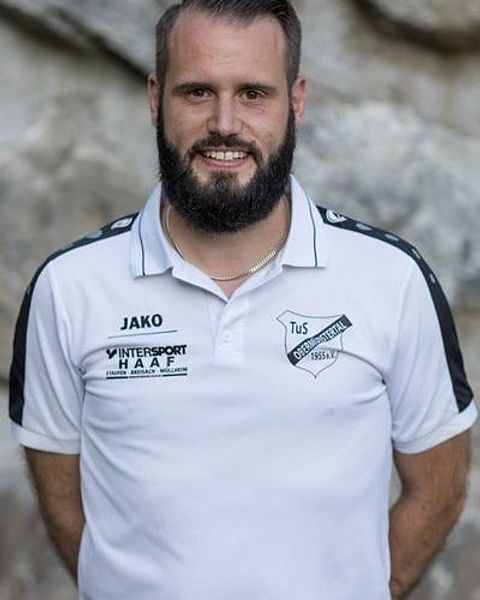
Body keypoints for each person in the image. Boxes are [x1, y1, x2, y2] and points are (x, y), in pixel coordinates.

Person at [8, 1, 477, 599]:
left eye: (253, 94)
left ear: (296, 102)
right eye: (197, 92)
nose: (224, 123)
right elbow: (61, 499)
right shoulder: (69, 287)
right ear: (156, 99)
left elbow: (439, 490)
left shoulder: (393, 279)